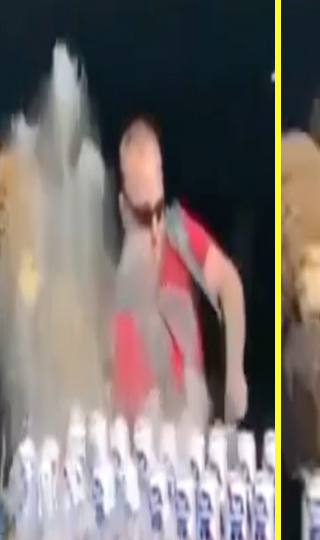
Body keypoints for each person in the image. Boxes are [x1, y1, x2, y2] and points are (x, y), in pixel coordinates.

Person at [112, 118, 248, 428]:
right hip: (126, 430)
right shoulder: (110, 264)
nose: (155, 227)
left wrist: (235, 374)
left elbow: (229, 284)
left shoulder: (179, 233)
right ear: (123, 206)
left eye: (158, 209)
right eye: (144, 215)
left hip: (182, 421)